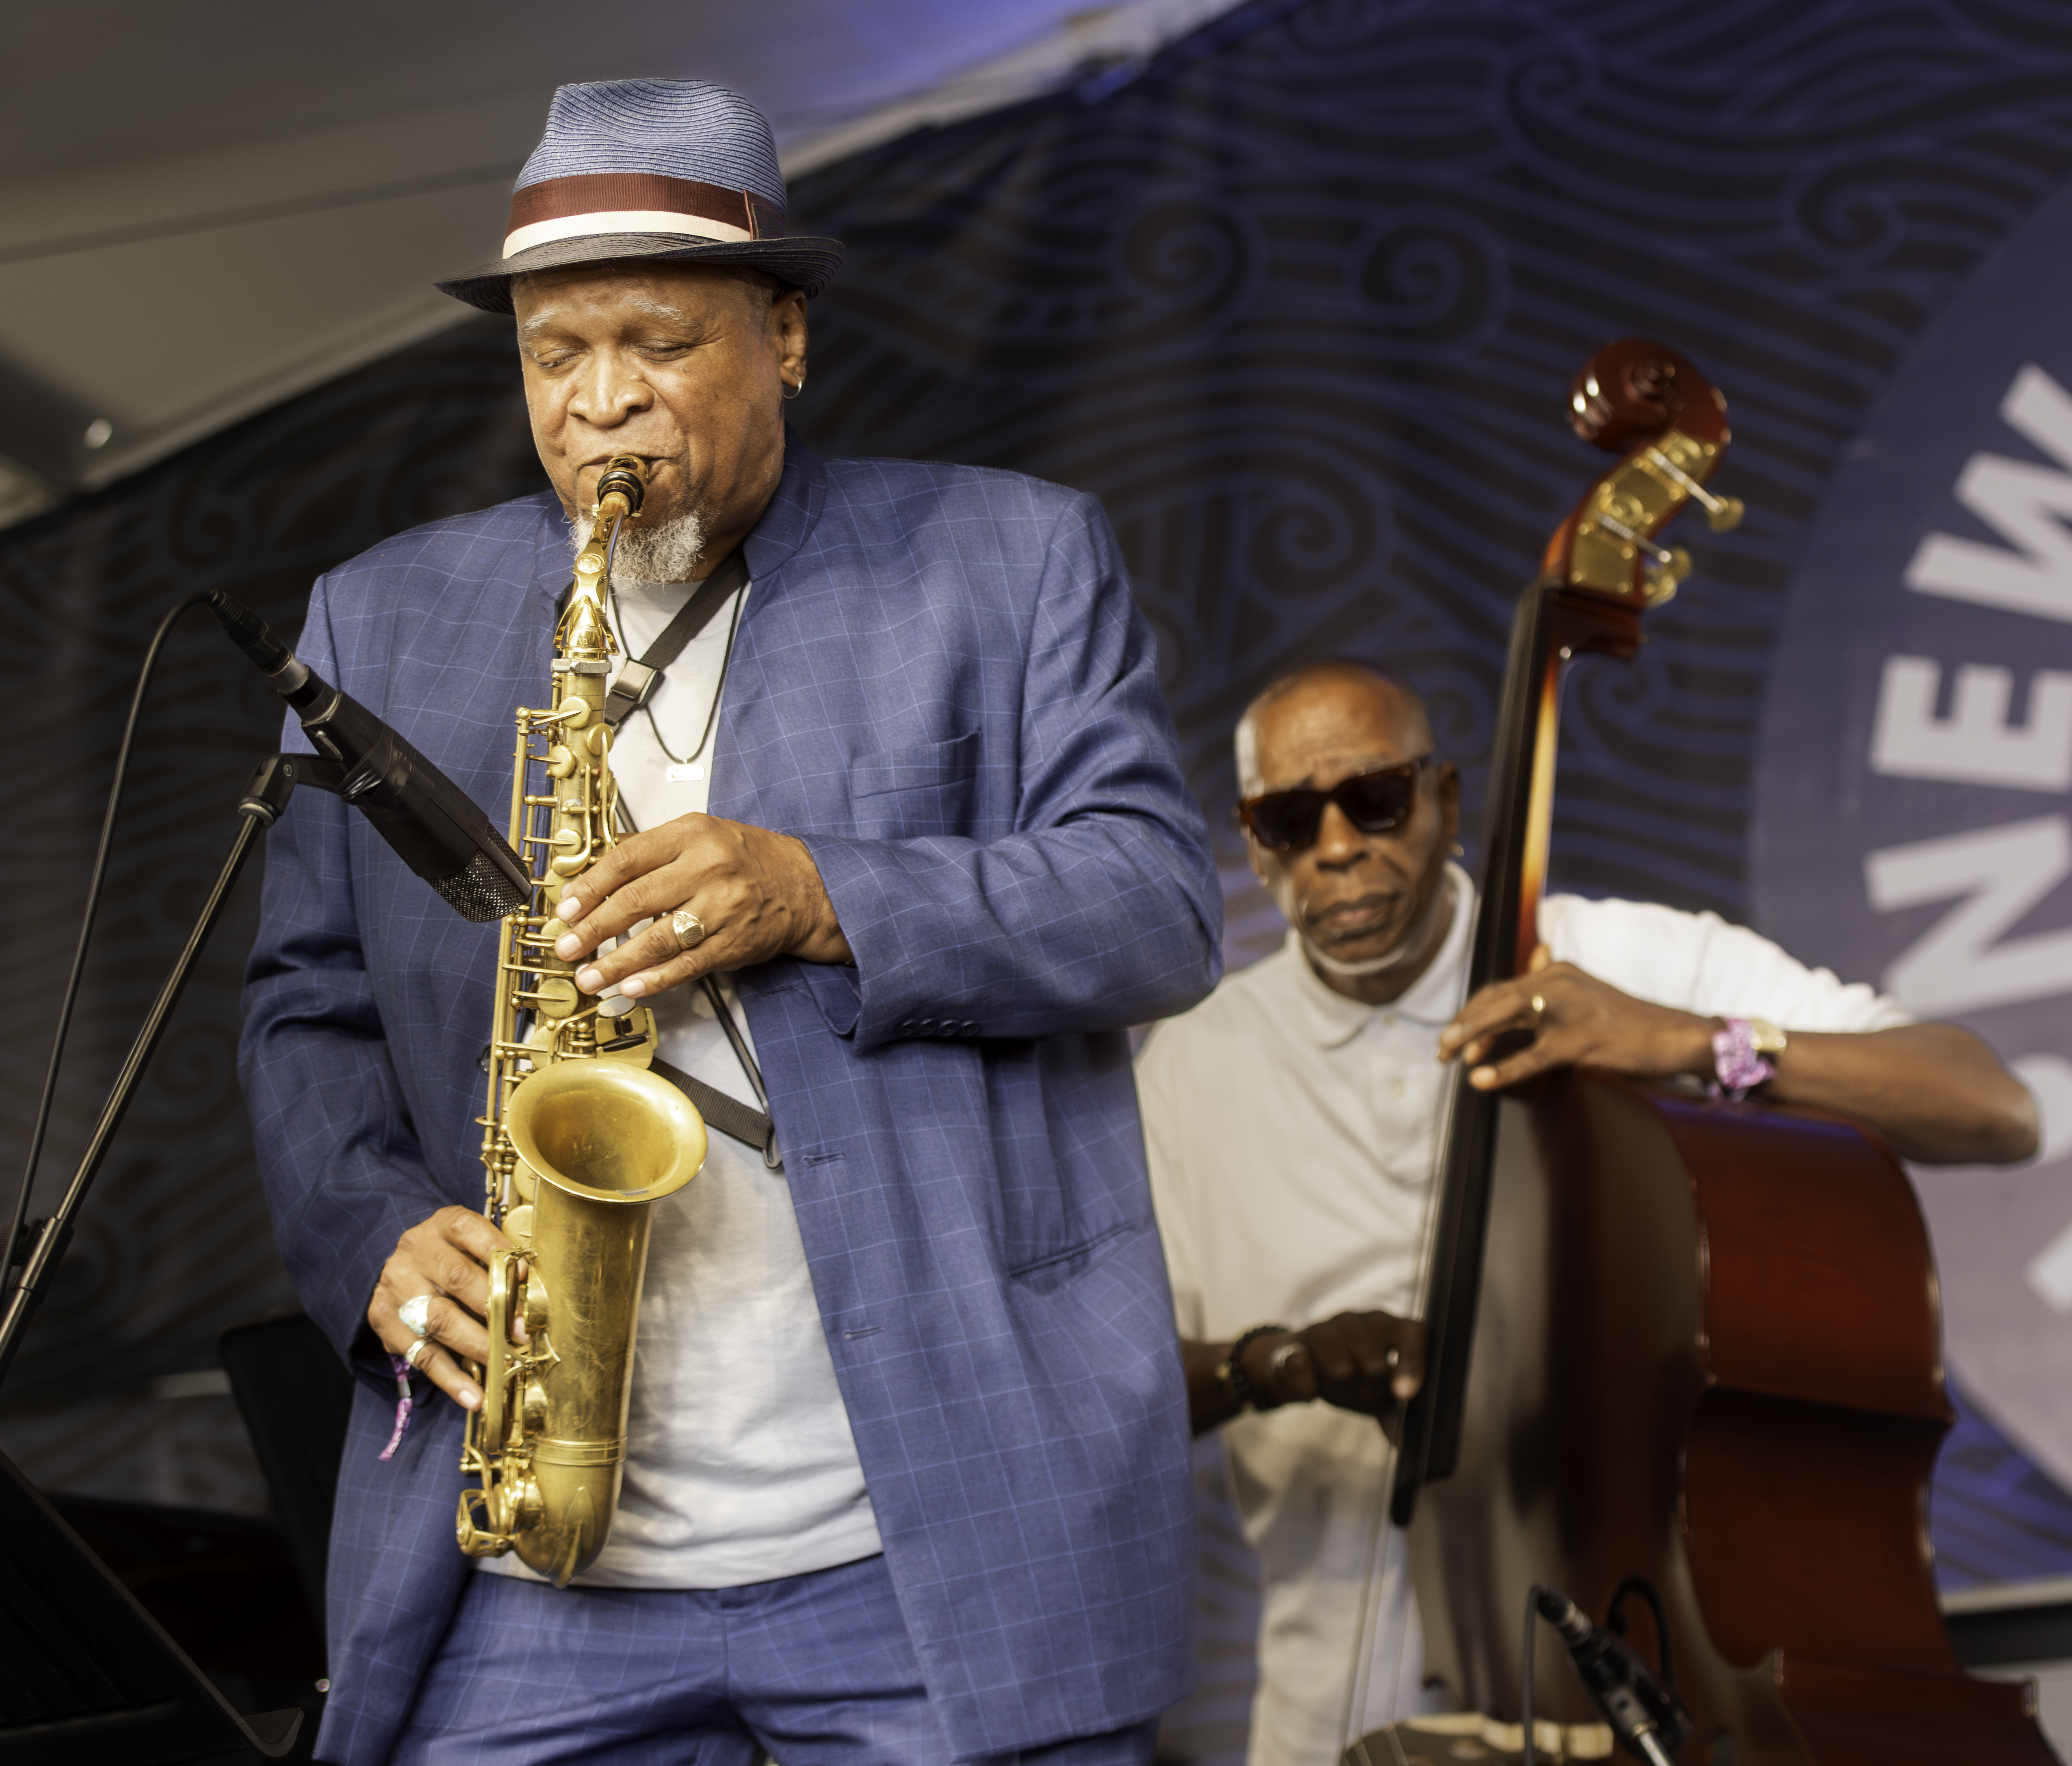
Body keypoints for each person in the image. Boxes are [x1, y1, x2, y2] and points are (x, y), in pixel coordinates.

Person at [240, 80, 1222, 1766]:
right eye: (556, 355)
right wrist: (372, 1236)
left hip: (934, 1540)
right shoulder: (380, 618)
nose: (599, 406)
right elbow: (303, 1010)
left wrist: (825, 892)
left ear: (786, 340)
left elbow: (1156, 903)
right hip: (537, 1567)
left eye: (655, 341)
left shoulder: (1010, 559)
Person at [1136, 659, 2037, 1766]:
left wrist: (1698, 1043)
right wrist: (1279, 1366)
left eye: (1376, 800)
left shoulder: (1626, 959)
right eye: (1286, 818)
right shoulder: (1191, 1062)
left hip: (1664, 1677)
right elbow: (1110, 1387)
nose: (1335, 848)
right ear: (1253, 840)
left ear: (1447, 800)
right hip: (1338, 1711)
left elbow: (1989, 1108)